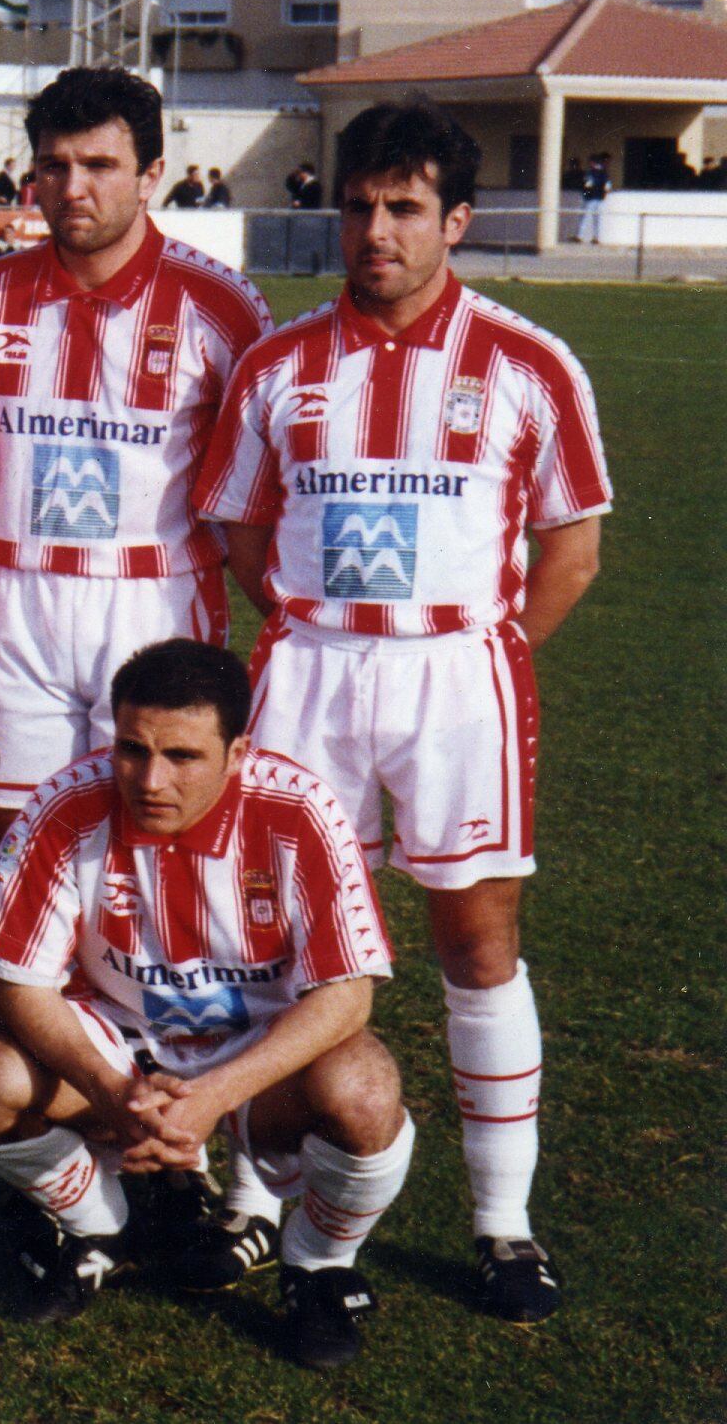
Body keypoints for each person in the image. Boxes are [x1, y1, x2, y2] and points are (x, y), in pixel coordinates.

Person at [194, 100, 610, 1325]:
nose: (375, 229)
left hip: (457, 677)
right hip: (312, 668)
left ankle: (503, 1222)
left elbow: (571, 551)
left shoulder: (529, 364)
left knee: (474, 941)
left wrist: (484, 658)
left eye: (405, 207)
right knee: (273, 934)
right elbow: (239, 524)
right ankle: (255, 1197)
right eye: (360, 205)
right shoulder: (278, 366)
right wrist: (317, 623)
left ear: (457, 221)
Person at [0, 640, 414, 1371]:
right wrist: (110, 1090)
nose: (150, 778)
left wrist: (212, 1097)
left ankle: (320, 1266)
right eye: (132, 749)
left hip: (256, 1055)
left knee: (362, 1089)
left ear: (238, 751)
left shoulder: (301, 809)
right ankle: (97, 1227)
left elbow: (346, 993)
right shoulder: (68, 802)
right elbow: (20, 979)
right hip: (120, 1045)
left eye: (183, 756)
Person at [0, 66, 271, 873]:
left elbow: (262, 482)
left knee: (159, 836)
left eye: (99, 165)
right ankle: (33, 997)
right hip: (17, 596)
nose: (72, 188)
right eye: (53, 166)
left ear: (152, 175)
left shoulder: (219, 307)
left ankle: (143, 995)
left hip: (154, 597)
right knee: (21, 844)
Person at [575, 151, 610, 243]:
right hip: (599, 198)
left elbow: (587, 185)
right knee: (596, 219)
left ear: (592, 162)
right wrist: (604, 194)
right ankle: (596, 237)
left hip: (591, 198)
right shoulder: (604, 173)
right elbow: (607, 186)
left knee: (585, 217)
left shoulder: (591, 173)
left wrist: (585, 194)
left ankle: (580, 236)